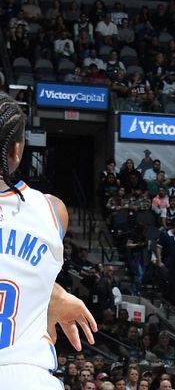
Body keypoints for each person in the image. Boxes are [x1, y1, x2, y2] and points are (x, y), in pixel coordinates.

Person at [0, 93, 97, 387]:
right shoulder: (52, 211)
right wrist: (50, 292)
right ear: (17, 150)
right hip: (28, 377)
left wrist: (52, 294)